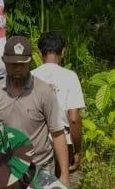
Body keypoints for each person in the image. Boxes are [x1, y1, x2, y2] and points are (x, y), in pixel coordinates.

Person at [0, 35, 70, 186]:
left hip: (40, 167)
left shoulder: (44, 91)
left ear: (30, 61)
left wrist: (64, 174)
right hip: (8, 168)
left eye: (22, 64)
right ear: (4, 61)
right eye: (13, 64)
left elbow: (57, 134)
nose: (17, 68)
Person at [31, 31, 86, 174]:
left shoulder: (30, 77)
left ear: (39, 52)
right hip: (62, 141)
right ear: (63, 51)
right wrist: (77, 150)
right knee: (60, 188)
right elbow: (73, 119)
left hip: (36, 142)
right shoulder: (70, 77)